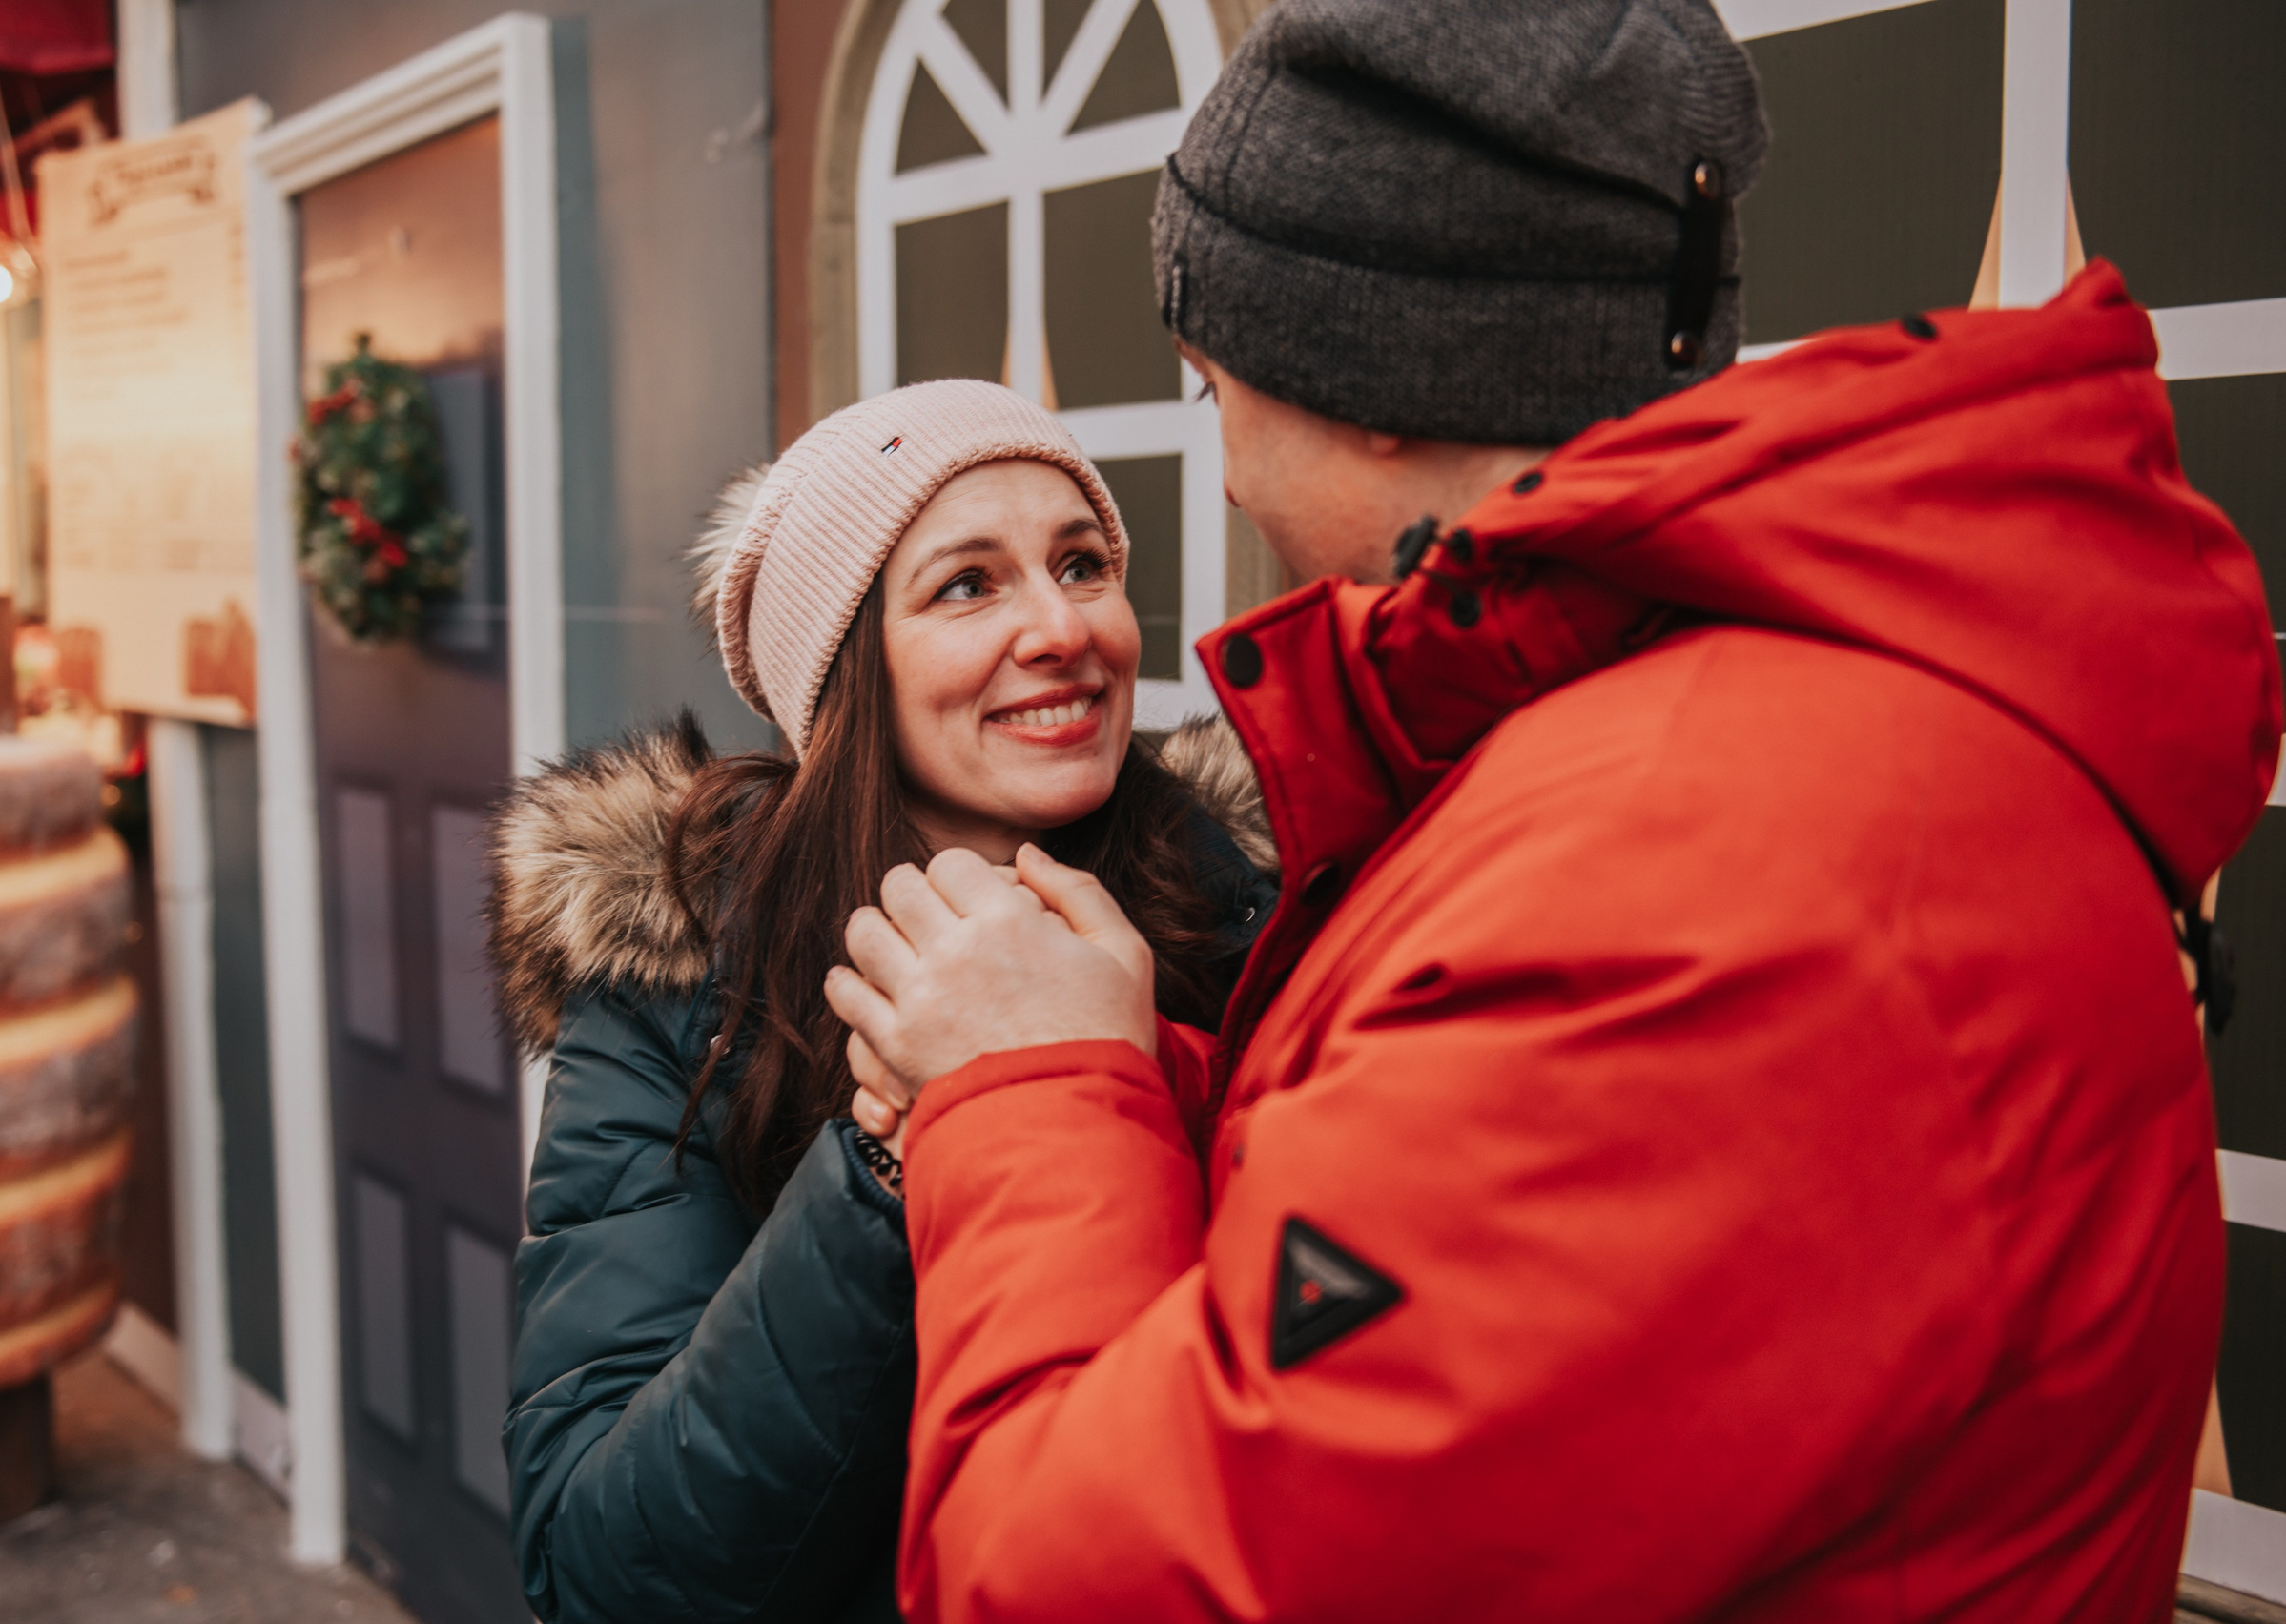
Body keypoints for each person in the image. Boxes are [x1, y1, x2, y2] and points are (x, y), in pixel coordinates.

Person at [826, 3, 2283, 1620]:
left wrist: (1028, 1090)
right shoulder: (1756, 738)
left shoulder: (1695, 869)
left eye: (1209, 387)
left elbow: (1086, 1586)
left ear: (1366, 377)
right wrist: (1136, 1074)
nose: (1224, 473)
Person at [485, 378, 1276, 1624]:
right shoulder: (689, 981)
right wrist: (894, 1151)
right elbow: (603, 1570)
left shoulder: (1254, 912)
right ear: (849, 669)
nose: (1062, 627)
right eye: (968, 585)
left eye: (1082, 564)